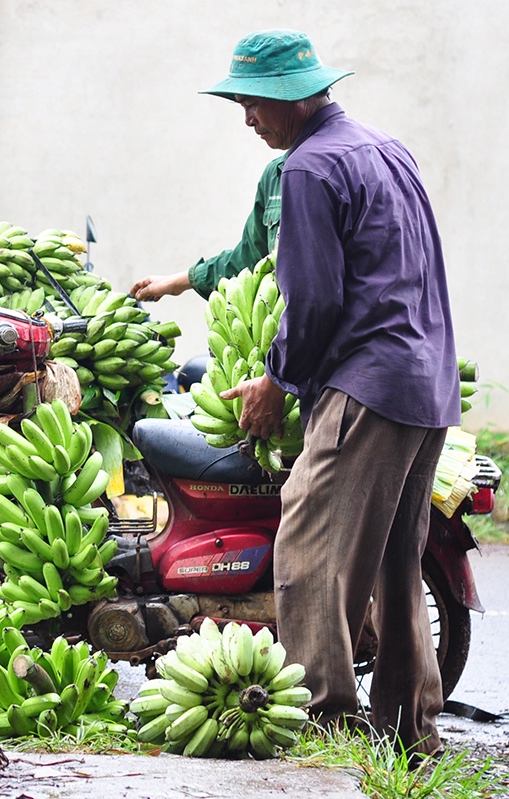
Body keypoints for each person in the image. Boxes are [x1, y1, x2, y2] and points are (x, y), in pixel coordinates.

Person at [211, 30, 460, 760]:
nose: (246, 118)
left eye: (252, 102)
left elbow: (313, 302)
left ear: (289, 97)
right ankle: (411, 731)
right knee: (391, 561)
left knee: (309, 546)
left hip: (366, 385)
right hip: (425, 384)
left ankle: (323, 724)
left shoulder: (308, 169)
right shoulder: (385, 149)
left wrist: (276, 380)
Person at [130, 153, 284, 303]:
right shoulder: (273, 176)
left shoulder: (304, 168)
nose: (250, 124)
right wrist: (178, 282)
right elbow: (249, 258)